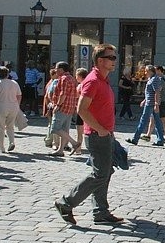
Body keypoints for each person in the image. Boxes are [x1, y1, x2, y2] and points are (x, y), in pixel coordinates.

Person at [54, 44, 123, 225]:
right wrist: (100, 129)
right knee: (100, 174)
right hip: (96, 135)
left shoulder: (103, 79)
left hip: (105, 134)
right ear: (100, 61)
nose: (115, 61)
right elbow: (81, 109)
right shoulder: (93, 80)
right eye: (112, 58)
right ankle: (66, 202)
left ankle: (100, 211)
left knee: (105, 172)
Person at [48, 62, 81, 157]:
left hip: (63, 107)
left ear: (62, 69)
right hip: (70, 108)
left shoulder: (64, 78)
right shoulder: (72, 78)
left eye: (57, 68)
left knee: (55, 128)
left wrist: (58, 105)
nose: (55, 70)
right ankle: (60, 150)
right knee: (65, 130)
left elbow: (63, 94)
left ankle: (74, 143)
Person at [126, 65, 164, 147]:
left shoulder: (155, 79)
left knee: (143, 121)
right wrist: (144, 100)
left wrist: (156, 104)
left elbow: (157, 92)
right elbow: (149, 93)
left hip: (151, 104)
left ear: (151, 71)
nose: (145, 73)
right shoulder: (151, 79)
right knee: (157, 122)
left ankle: (135, 139)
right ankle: (160, 140)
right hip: (150, 102)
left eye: (146, 71)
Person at [146, 65, 165, 143]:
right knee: (153, 118)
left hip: (161, 101)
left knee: (163, 119)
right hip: (161, 101)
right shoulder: (162, 78)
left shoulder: (160, 79)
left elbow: (158, 90)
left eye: (155, 70)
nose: (154, 72)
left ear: (160, 71)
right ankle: (148, 135)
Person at [70, 67, 89, 156]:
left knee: (79, 131)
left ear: (80, 76)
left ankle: (78, 149)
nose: (75, 77)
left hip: (80, 110)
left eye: (76, 76)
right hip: (88, 111)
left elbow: (76, 96)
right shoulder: (89, 84)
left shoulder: (80, 86)